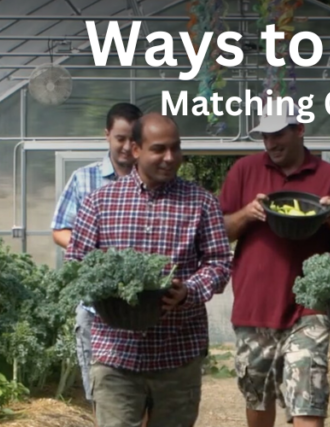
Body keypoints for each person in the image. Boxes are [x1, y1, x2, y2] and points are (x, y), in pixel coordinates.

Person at [65, 112, 232, 427]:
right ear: (137, 150)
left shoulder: (201, 203)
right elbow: (75, 262)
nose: (170, 158)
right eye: (159, 149)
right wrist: (104, 290)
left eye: (176, 148)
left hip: (178, 353)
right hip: (116, 353)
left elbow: (220, 263)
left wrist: (190, 290)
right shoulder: (99, 203)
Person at [218, 108, 330, 427]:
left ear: (300, 129)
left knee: (308, 399)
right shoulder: (244, 171)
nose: (270, 142)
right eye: (265, 135)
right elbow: (221, 230)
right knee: (258, 397)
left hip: (310, 308)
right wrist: (247, 213)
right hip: (255, 306)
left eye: (278, 134)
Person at [50, 102, 143, 406]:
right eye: (120, 138)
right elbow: (59, 230)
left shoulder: (152, 183)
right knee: (101, 390)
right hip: (94, 304)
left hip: (141, 303)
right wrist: (93, 252)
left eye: (133, 139)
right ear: (107, 136)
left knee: (141, 394)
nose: (127, 147)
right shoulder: (83, 179)